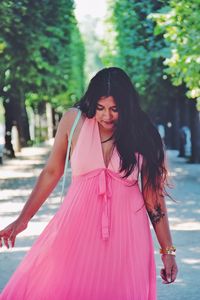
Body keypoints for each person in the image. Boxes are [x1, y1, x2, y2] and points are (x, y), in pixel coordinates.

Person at [0, 67, 178, 300]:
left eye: (115, 109)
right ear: (91, 102)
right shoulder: (73, 121)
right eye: (100, 108)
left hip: (128, 235)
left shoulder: (142, 134)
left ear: (128, 107)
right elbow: (52, 171)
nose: (107, 116)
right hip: (76, 227)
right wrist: (23, 220)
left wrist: (167, 251)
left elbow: (154, 200)